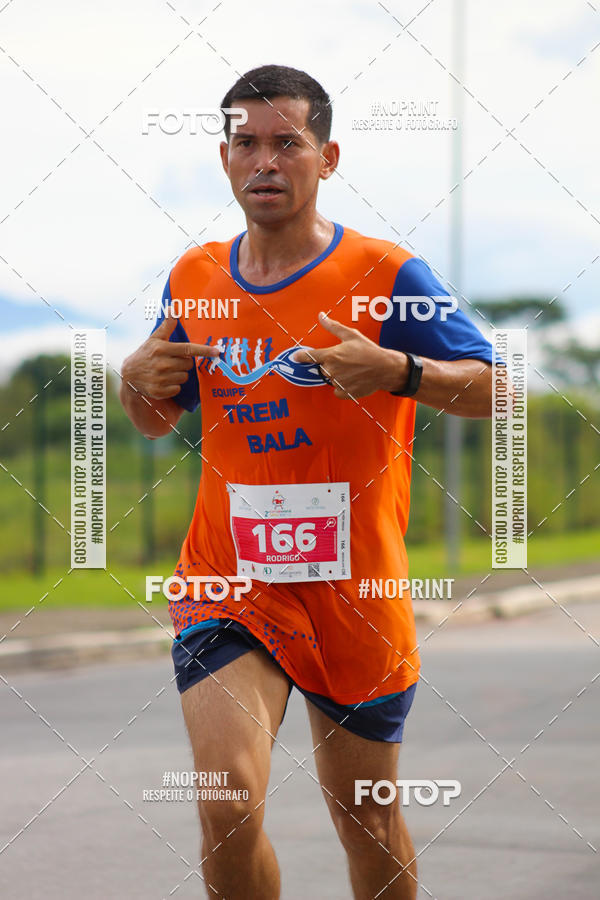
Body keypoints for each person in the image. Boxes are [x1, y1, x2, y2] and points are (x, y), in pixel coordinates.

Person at [120, 64, 494, 900]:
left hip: (354, 593)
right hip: (232, 582)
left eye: (287, 142)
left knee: (366, 818)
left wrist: (398, 370)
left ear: (327, 157)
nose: (266, 161)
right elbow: (156, 416)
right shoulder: (195, 279)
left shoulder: (388, 272)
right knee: (226, 800)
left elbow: (496, 386)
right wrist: (132, 381)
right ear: (224, 159)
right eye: (246, 143)